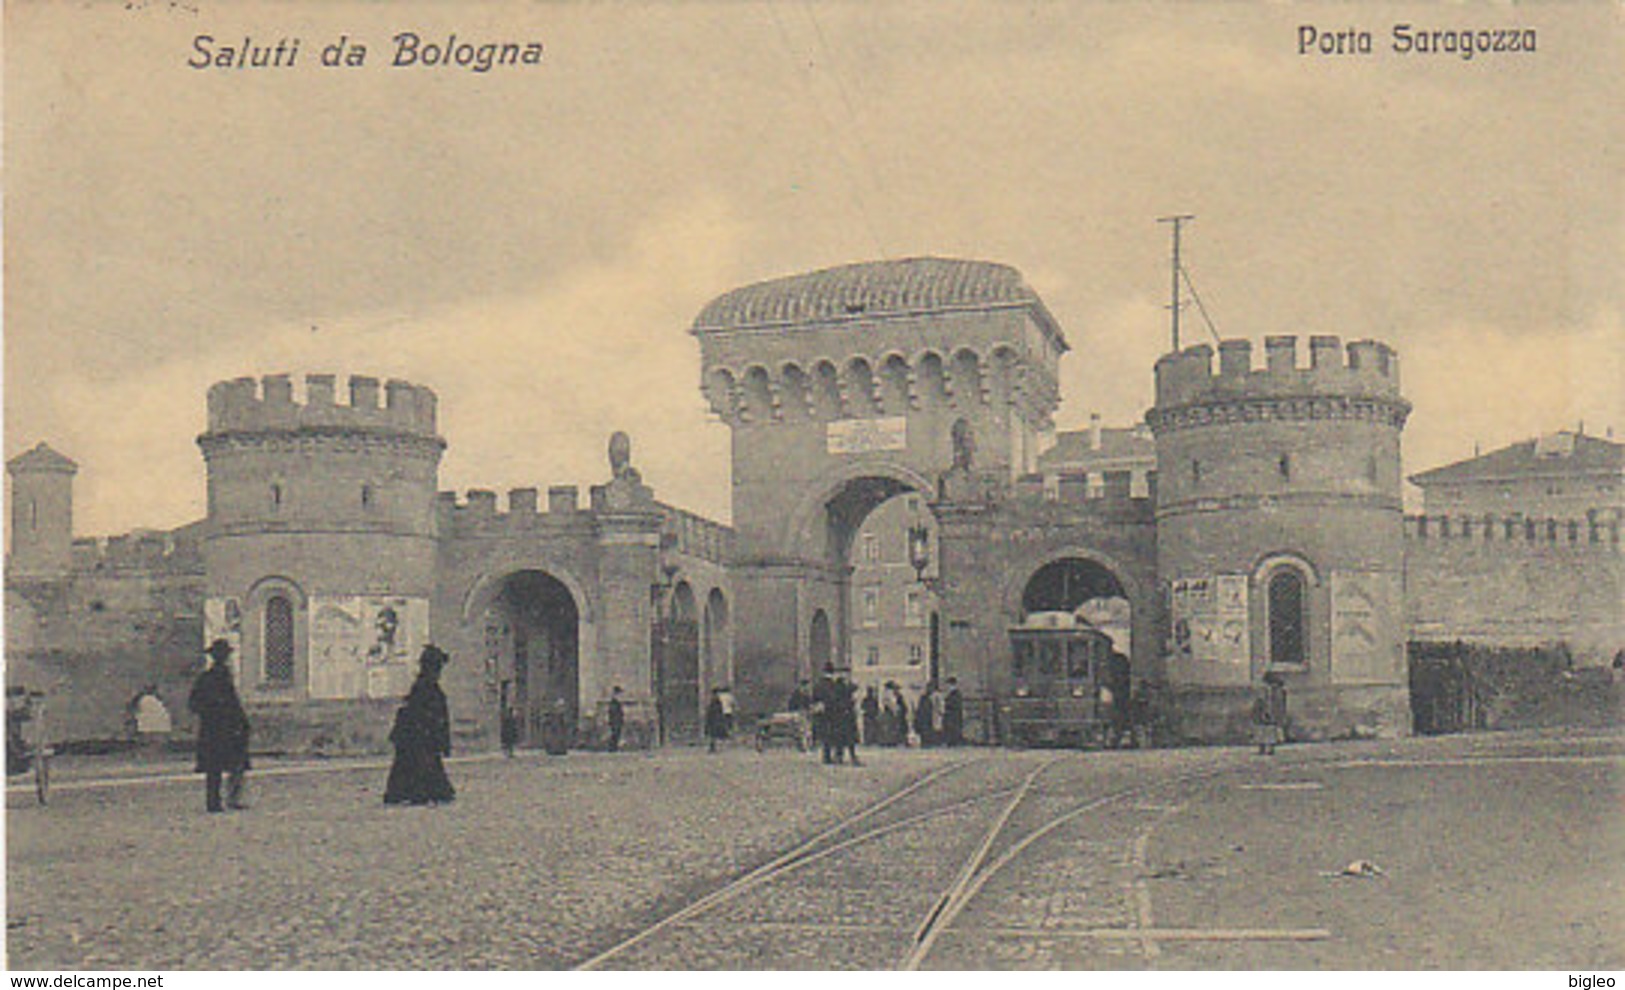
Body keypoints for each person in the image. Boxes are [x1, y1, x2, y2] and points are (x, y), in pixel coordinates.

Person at [384, 645, 456, 805]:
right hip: (420, 738)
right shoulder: (424, 687)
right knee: (420, 765)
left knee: (419, 765)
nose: (439, 672)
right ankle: (419, 792)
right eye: (437, 667)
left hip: (421, 739)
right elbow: (424, 715)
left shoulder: (424, 686)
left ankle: (418, 792)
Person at [189, 638, 251, 813]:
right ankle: (221, 801)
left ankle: (219, 801)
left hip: (217, 728)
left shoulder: (211, 677)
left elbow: (195, 704)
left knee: (218, 767)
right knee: (226, 764)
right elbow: (197, 703)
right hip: (222, 728)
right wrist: (218, 709)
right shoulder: (214, 678)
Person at [1251, 672, 1288, 756]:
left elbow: (1266, 701)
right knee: (1267, 730)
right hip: (1268, 713)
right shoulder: (1270, 690)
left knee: (1267, 730)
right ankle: (1267, 748)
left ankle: (1265, 748)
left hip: (1269, 713)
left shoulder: (1272, 690)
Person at [832, 670, 861, 766]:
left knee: (850, 738)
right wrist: (846, 707)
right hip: (841, 715)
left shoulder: (848, 686)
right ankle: (839, 756)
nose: (847, 676)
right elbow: (837, 700)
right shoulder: (838, 686)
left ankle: (851, 756)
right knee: (842, 737)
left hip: (848, 716)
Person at [812, 665, 839, 764]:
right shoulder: (833, 685)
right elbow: (835, 698)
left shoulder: (818, 684)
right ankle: (830, 756)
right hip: (832, 713)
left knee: (825, 734)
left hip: (821, 713)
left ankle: (826, 756)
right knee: (831, 734)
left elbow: (814, 698)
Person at [941, 677, 964, 747]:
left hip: (953, 716)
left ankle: (952, 742)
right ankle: (950, 742)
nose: (947, 687)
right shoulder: (951, 694)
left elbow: (955, 704)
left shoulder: (956, 694)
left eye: (948, 685)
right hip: (950, 715)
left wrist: (946, 704)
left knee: (953, 730)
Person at [704, 688, 729, 753]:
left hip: (714, 719)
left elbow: (714, 710)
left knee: (713, 734)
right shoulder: (716, 701)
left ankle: (713, 747)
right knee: (713, 734)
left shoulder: (715, 701)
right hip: (714, 719)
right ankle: (713, 747)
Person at [914, 681, 938, 747]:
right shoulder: (924, 699)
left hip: (929, 722)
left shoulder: (931, 698)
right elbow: (921, 711)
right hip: (925, 722)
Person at [888, 682, 910, 747]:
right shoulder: (896, 697)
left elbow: (903, 707)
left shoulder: (900, 697)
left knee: (902, 728)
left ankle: (903, 741)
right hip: (898, 715)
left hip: (900, 715)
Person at [606, 686, 625, 752]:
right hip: (615, 721)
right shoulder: (614, 702)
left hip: (617, 720)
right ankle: (612, 748)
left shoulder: (616, 702)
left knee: (616, 734)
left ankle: (614, 747)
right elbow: (613, 712)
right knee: (615, 734)